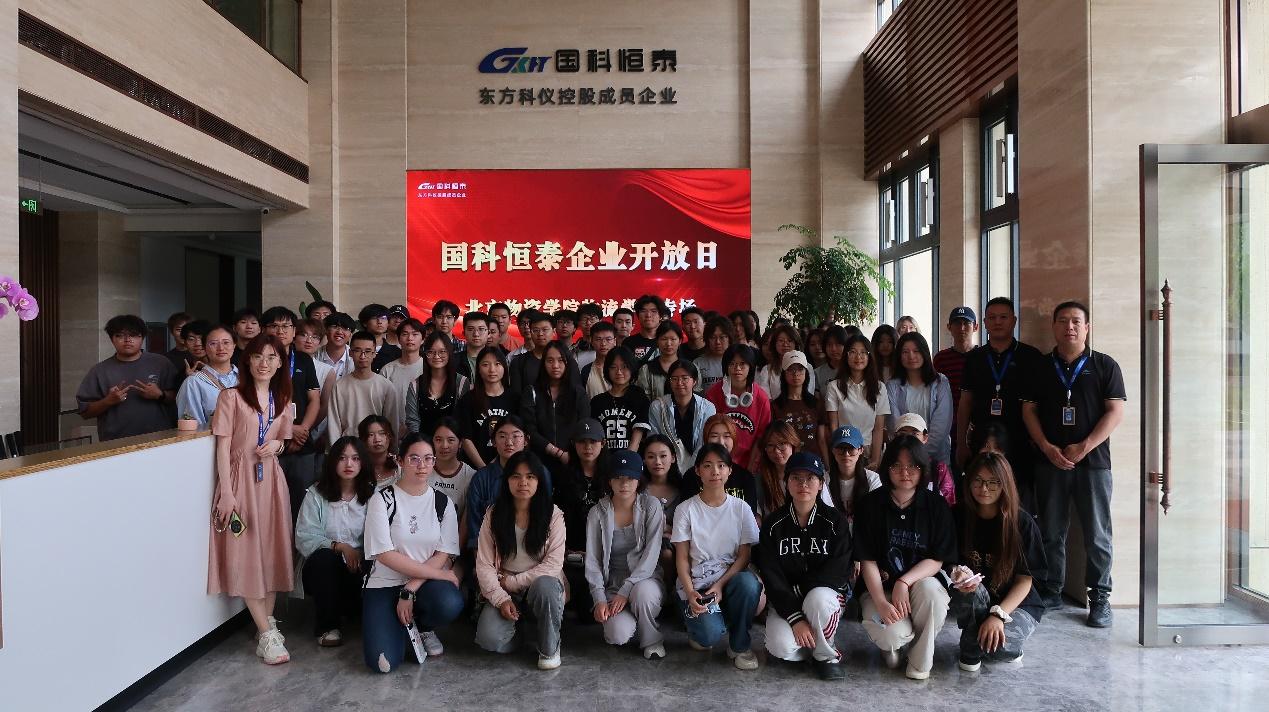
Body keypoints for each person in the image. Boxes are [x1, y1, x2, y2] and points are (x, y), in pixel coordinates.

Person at [1020, 301, 1125, 627]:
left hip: (1093, 465)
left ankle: (1100, 598)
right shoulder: (1040, 367)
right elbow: (1028, 411)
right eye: (1063, 321)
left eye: (1076, 321)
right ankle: (1053, 589)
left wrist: (1085, 446)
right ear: (1054, 326)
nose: (1070, 327)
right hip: (1050, 462)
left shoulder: (1105, 365)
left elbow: (1115, 412)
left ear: (1087, 327)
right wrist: (1046, 447)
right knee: (1051, 531)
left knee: (1097, 535)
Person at [208, 334, 294, 665]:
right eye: (258, 356)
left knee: (271, 551)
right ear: (247, 360)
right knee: (246, 552)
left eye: (271, 357)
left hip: (271, 480)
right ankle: (268, 633)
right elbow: (222, 447)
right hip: (240, 479)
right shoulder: (230, 397)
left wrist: (278, 446)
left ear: (280, 363)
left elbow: (283, 439)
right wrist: (227, 492)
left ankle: (265, 630)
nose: (264, 363)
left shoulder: (282, 398)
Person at [854, 434, 956, 680]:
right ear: (887, 468)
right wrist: (881, 602)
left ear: (923, 469)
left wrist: (904, 582)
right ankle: (894, 644)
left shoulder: (936, 506)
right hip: (880, 587)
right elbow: (867, 560)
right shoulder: (869, 504)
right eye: (896, 465)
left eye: (913, 466)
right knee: (890, 635)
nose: (905, 472)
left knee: (932, 595)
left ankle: (920, 660)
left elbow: (938, 558)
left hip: (920, 584)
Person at [361, 432, 464, 673]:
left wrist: (410, 589)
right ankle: (399, 629)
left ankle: (423, 626)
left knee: (449, 602)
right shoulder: (381, 500)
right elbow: (385, 554)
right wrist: (441, 574)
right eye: (414, 459)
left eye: (428, 459)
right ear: (400, 461)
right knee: (383, 664)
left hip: (422, 585)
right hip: (384, 583)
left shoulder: (442, 503)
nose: (422, 465)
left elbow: (443, 554)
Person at [756, 451, 852, 680]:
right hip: (785, 600)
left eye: (810, 478)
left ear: (821, 484)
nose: (803, 484)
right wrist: (795, 619)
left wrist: (801, 590)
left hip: (824, 597)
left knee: (818, 600)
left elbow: (839, 570)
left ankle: (826, 655)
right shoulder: (773, 524)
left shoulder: (835, 521)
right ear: (786, 482)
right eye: (796, 478)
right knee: (779, 646)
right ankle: (812, 643)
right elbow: (771, 575)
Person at [950, 452, 1047, 671]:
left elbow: (1025, 580)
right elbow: (949, 561)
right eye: (978, 480)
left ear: (1005, 484)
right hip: (976, 598)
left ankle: (986, 641)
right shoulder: (958, 515)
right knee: (971, 592)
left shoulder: (1022, 523)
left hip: (1015, 603)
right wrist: (957, 572)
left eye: (993, 482)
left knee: (999, 649)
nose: (984, 488)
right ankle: (973, 635)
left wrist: (998, 615)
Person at [671, 442, 763, 670]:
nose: (715, 471)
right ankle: (699, 626)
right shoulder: (685, 509)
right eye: (708, 465)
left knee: (749, 584)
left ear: (730, 471)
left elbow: (744, 556)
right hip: (698, 582)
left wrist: (720, 586)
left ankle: (740, 646)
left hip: (729, 579)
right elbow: (681, 558)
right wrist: (690, 592)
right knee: (709, 636)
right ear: (697, 471)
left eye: (721, 465)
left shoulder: (741, 508)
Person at [475, 451, 568, 669]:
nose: (523, 483)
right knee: (490, 640)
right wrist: (501, 599)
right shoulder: (494, 514)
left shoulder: (553, 515)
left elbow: (554, 565)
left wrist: (513, 582)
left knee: (545, 586)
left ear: (539, 481)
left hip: (540, 585)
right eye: (516, 476)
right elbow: (484, 564)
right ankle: (525, 635)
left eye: (530, 477)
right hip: (504, 588)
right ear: (507, 480)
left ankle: (549, 649)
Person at [957, 297, 1045, 508]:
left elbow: (1040, 406)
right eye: (992, 317)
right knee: (983, 499)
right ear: (984, 323)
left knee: (1018, 503)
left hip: (1020, 442)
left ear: (1014, 320)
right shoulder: (974, 358)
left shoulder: (1031, 357)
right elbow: (965, 403)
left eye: (1003, 317)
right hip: (982, 442)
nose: (997, 322)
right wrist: (961, 444)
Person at [585, 450, 667, 659]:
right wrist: (599, 598)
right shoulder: (597, 513)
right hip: (613, 584)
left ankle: (652, 639)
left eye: (630, 478)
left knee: (642, 593)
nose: (624, 484)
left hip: (645, 579)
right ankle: (631, 619)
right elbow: (593, 560)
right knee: (617, 635)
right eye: (618, 478)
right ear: (609, 481)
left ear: (639, 480)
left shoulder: (651, 506)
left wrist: (627, 589)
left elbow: (651, 555)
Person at [294, 435, 375, 647]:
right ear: (332, 461)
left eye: (355, 458)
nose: (349, 464)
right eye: (342, 458)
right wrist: (340, 547)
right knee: (324, 560)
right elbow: (304, 536)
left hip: (360, 566)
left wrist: (359, 553)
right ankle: (327, 627)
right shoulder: (316, 494)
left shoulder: (372, 495)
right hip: (325, 568)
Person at [262, 306, 324, 519]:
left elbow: (314, 399)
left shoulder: (304, 359)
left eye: (286, 326)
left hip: (302, 443)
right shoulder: (260, 360)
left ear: (294, 330)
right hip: (269, 441)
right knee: (270, 500)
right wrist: (288, 429)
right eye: (274, 326)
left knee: (302, 500)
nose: (280, 331)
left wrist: (303, 429)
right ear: (264, 330)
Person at [76, 314, 178, 441]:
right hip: (115, 443)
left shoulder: (161, 363)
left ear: (142, 338)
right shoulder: (99, 371)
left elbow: (180, 398)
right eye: (120, 335)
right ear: (112, 339)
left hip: (159, 440)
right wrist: (108, 401)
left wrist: (160, 395)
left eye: (134, 335)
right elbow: (85, 412)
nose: (127, 340)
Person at [465, 415, 554, 552]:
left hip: (533, 550)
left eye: (516, 436)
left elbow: (546, 516)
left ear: (526, 440)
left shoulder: (541, 473)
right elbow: (475, 528)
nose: (509, 442)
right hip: (490, 552)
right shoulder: (481, 478)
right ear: (493, 442)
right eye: (502, 436)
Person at [553, 418, 610, 620]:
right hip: (571, 552)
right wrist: (564, 549)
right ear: (573, 444)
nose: (588, 447)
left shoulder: (612, 475)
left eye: (593, 441)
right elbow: (556, 517)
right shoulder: (563, 475)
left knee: (589, 614)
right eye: (582, 442)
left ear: (603, 443)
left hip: (605, 554)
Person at [520, 340, 589, 476]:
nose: (555, 366)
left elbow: (584, 426)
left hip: (572, 459)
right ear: (543, 363)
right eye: (550, 361)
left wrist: (570, 453)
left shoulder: (578, 393)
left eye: (560, 360)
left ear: (568, 363)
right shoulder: (531, 392)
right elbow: (529, 429)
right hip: (539, 461)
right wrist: (556, 452)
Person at [886, 332, 953, 466]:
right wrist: (908, 455)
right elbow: (894, 424)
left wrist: (920, 455)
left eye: (916, 351)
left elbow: (942, 425)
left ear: (924, 352)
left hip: (936, 458)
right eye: (905, 352)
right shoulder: (892, 386)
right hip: (903, 459)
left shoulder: (940, 382)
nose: (911, 356)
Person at [824, 333, 890, 468]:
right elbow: (834, 426)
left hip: (868, 450)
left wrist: (875, 460)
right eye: (853, 352)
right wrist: (838, 453)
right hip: (844, 450)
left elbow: (878, 428)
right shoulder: (834, 387)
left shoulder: (879, 387)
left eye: (863, 352)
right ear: (846, 355)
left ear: (869, 356)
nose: (858, 357)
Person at [704, 343, 771, 471]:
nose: (737, 368)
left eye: (742, 364)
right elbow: (708, 433)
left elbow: (761, 438)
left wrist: (750, 469)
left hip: (749, 464)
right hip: (718, 463)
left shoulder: (761, 398)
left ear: (751, 367)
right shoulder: (713, 394)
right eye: (732, 364)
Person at [679, 414, 760, 514]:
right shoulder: (691, 476)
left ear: (734, 440)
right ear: (706, 439)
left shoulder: (745, 477)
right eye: (714, 436)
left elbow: (750, 515)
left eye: (726, 436)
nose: (721, 442)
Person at [327, 331, 402, 438]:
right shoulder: (339, 386)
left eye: (367, 351)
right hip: (348, 445)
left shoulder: (386, 387)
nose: (363, 356)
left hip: (377, 444)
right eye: (357, 351)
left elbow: (392, 424)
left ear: (374, 354)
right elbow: (333, 425)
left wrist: (392, 447)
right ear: (350, 353)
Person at [646, 359, 716, 466]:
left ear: (694, 381)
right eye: (674, 379)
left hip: (699, 465)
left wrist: (692, 469)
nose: (679, 383)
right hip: (666, 465)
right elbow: (654, 439)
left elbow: (704, 443)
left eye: (685, 378)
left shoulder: (708, 408)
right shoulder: (658, 406)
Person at [455, 346, 516, 468]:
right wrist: (484, 469)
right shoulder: (468, 399)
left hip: (510, 466)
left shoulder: (515, 399)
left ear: (504, 367)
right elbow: (466, 438)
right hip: (475, 468)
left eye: (497, 364)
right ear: (478, 369)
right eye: (485, 364)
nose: (492, 369)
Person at [405, 332, 471, 438]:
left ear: (449, 353)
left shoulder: (462, 382)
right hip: (423, 444)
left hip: (451, 444)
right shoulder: (415, 385)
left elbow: (462, 420)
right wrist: (421, 444)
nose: (436, 356)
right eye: (431, 352)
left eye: (442, 352)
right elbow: (412, 421)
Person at [175, 323, 238, 429]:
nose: (221, 348)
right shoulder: (193, 383)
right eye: (213, 343)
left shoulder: (247, 377)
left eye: (226, 342)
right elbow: (192, 429)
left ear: (234, 345)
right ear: (204, 347)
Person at [590, 346, 651, 452]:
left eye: (624, 367)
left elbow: (636, 440)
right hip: (604, 458)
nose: (619, 372)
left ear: (631, 368)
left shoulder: (640, 398)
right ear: (607, 370)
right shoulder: (597, 401)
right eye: (613, 367)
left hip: (631, 457)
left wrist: (627, 458)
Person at [640, 434, 683, 581]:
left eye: (663, 456)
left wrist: (673, 531)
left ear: (673, 458)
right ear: (644, 460)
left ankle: (670, 589)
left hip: (675, 547)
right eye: (651, 457)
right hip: (641, 544)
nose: (657, 462)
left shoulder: (683, 490)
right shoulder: (637, 490)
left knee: (666, 551)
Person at [932, 307, 978, 443]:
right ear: (949, 327)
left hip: (977, 422)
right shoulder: (941, 358)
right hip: (948, 422)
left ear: (975, 327)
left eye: (966, 323)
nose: (962, 328)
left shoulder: (983, 356)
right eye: (957, 323)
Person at [771, 350, 826, 460]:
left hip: (813, 461)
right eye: (790, 369)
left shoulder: (816, 404)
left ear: (806, 373)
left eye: (800, 369)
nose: (795, 374)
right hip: (786, 462)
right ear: (784, 374)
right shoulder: (776, 405)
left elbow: (821, 439)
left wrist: (827, 465)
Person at [892, 413, 957, 506]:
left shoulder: (938, 468)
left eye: (915, 434)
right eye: (902, 434)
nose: (909, 438)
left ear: (925, 437)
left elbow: (948, 502)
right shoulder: (889, 466)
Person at [824, 425, 882, 522]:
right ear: (833, 450)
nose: (846, 454)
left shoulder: (873, 479)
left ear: (861, 450)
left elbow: (875, 513)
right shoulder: (824, 480)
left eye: (851, 448)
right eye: (841, 448)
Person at [379, 318, 428, 430]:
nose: (410, 338)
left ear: (422, 339)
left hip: (422, 431)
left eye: (415, 334)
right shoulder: (387, 370)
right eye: (405, 334)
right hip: (391, 431)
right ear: (399, 339)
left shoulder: (429, 368)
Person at [756, 324, 816, 396]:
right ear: (774, 344)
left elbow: (809, 394)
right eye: (781, 340)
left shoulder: (807, 367)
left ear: (796, 343)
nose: (785, 344)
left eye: (789, 340)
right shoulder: (767, 369)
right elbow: (765, 397)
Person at [509, 310, 555, 395]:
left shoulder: (565, 358)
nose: (540, 334)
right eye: (536, 330)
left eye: (545, 330)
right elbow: (516, 394)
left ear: (554, 331)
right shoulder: (519, 362)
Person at [634, 321, 684, 400]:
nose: (668, 343)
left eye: (673, 339)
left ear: (680, 341)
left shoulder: (689, 368)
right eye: (664, 339)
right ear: (657, 341)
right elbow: (642, 400)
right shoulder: (646, 370)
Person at [693, 315, 731, 394]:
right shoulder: (698, 363)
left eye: (722, 337)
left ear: (729, 338)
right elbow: (696, 392)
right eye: (713, 337)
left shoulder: (738, 362)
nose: (717, 342)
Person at [624, 295, 666, 364]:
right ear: (638, 315)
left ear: (660, 316)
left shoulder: (667, 342)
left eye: (653, 311)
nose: (648, 315)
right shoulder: (628, 342)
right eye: (643, 311)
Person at [360, 415, 400, 487]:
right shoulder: (357, 467)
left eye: (382, 433)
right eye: (371, 435)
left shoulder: (401, 466)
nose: (377, 439)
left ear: (390, 436)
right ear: (363, 440)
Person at [581, 321, 618, 398]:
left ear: (615, 341)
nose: (603, 344)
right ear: (591, 341)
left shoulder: (623, 369)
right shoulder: (586, 371)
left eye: (608, 339)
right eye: (598, 339)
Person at [318, 312, 357, 380]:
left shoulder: (355, 357)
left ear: (350, 334)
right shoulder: (314, 355)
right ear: (326, 330)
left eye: (345, 328)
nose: (339, 332)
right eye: (335, 326)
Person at [814, 325, 847, 395]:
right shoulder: (817, 373)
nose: (833, 349)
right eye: (829, 344)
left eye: (838, 344)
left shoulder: (854, 370)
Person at [457, 311, 490, 380]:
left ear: (488, 333)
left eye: (481, 329)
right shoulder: (454, 361)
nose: (476, 334)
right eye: (471, 329)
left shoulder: (498, 359)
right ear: (463, 333)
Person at [164, 311, 194, 386]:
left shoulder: (200, 355)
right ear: (172, 332)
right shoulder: (166, 358)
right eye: (179, 330)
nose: (183, 333)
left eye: (186, 329)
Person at [572, 302, 604, 369]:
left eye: (592, 319)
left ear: (600, 321)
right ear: (578, 322)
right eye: (584, 319)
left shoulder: (608, 348)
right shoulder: (572, 350)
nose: (588, 323)